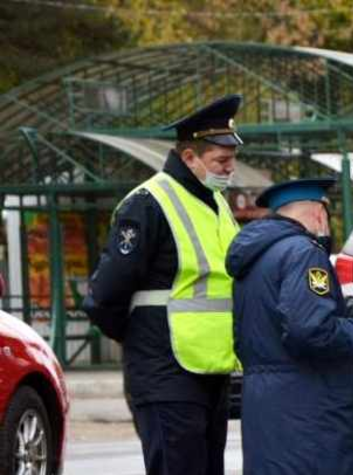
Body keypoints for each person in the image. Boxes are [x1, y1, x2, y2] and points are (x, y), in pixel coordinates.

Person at [83, 94, 244, 475]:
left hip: (211, 371)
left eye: (232, 159)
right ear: (189, 157)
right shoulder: (148, 204)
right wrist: (144, 339)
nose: (230, 168)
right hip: (165, 374)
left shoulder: (216, 202)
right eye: (221, 160)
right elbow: (105, 295)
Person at [225, 178, 353, 475]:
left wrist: (346, 297)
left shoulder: (257, 256)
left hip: (267, 403)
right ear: (318, 214)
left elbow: (278, 316)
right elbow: (310, 331)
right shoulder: (305, 253)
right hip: (307, 407)